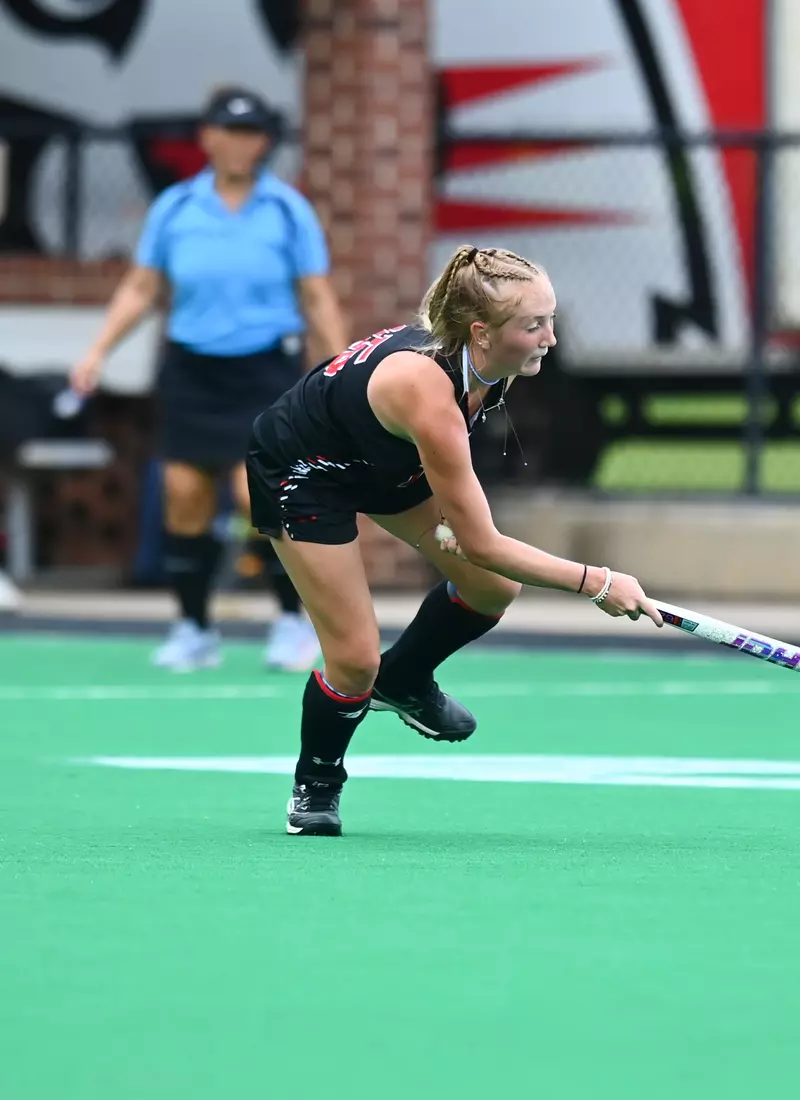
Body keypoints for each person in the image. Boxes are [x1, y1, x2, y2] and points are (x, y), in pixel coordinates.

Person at [248, 244, 663, 836]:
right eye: (533, 325)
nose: (550, 337)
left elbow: (482, 557)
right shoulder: (427, 389)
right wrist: (597, 582)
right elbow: (483, 539)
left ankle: (406, 679)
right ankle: (317, 783)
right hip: (305, 474)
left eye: (551, 319)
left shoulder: (485, 364)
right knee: (355, 658)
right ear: (482, 331)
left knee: (491, 587)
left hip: (381, 462)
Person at [70, 86, 347, 673]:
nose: (245, 144)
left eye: (255, 134)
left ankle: (292, 623)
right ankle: (193, 629)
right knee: (185, 498)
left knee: (260, 497)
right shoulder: (175, 207)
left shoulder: (287, 209)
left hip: (265, 368)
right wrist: (97, 350)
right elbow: (143, 287)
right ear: (208, 137)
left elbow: (316, 296)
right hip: (191, 369)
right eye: (233, 131)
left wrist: (341, 367)